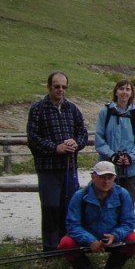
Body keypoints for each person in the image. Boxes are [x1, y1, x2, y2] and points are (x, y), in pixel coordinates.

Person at [27, 71, 88, 252]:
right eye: (57, 86)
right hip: (48, 168)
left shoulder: (72, 109)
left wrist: (76, 143)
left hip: (69, 167)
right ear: (49, 87)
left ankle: (67, 245)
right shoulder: (38, 109)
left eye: (63, 87)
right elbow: (33, 138)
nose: (60, 90)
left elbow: (83, 133)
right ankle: (50, 248)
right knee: (50, 207)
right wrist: (55, 148)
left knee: (69, 207)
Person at [58, 161, 135, 269]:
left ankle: (114, 267)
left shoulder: (123, 194)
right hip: (86, 237)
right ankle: (83, 268)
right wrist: (91, 241)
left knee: (133, 239)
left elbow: (128, 223)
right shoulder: (79, 195)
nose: (106, 181)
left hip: (112, 237)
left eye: (110, 178)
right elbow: (72, 225)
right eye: (102, 177)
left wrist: (114, 235)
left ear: (115, 178)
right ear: (93, 177)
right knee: (66, 243)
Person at [94, 79, 135, 205]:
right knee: (106, 204)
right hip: (107, 169)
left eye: (127, 89)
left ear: (131, 93)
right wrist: (113, 155)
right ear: (116, 92)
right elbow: (99, 139)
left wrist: (130, 157)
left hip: (130, 169)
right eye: (121, 89)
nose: (124, 92)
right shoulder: (105, 112)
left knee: (128, 205)